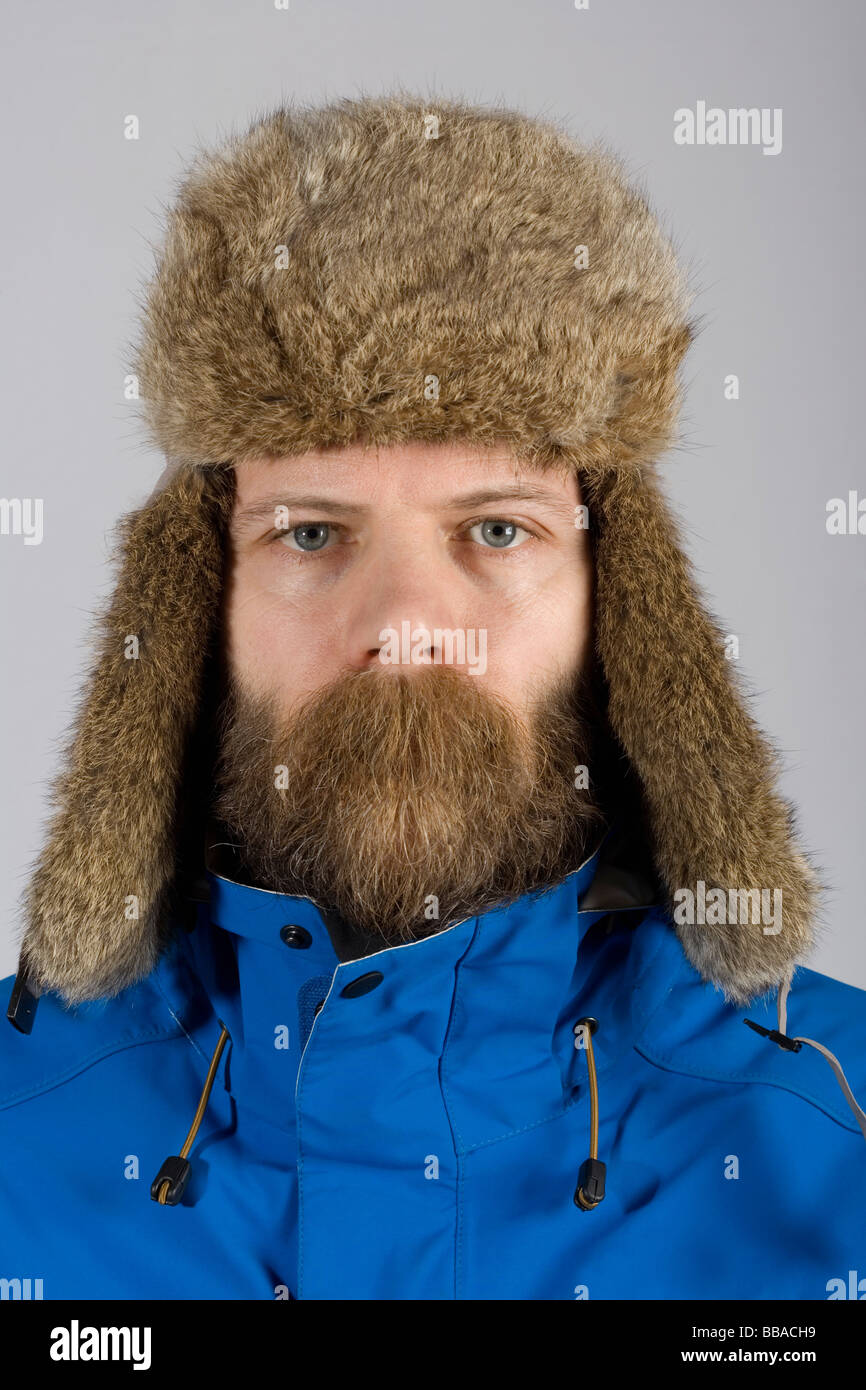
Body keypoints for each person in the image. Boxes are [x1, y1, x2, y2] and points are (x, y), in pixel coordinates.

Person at [2, 91, 864, 1302]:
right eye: (310, 533)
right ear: (199, 605)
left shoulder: (837, 1147)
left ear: (621, 604)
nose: (404, 624)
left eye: (495, 529)